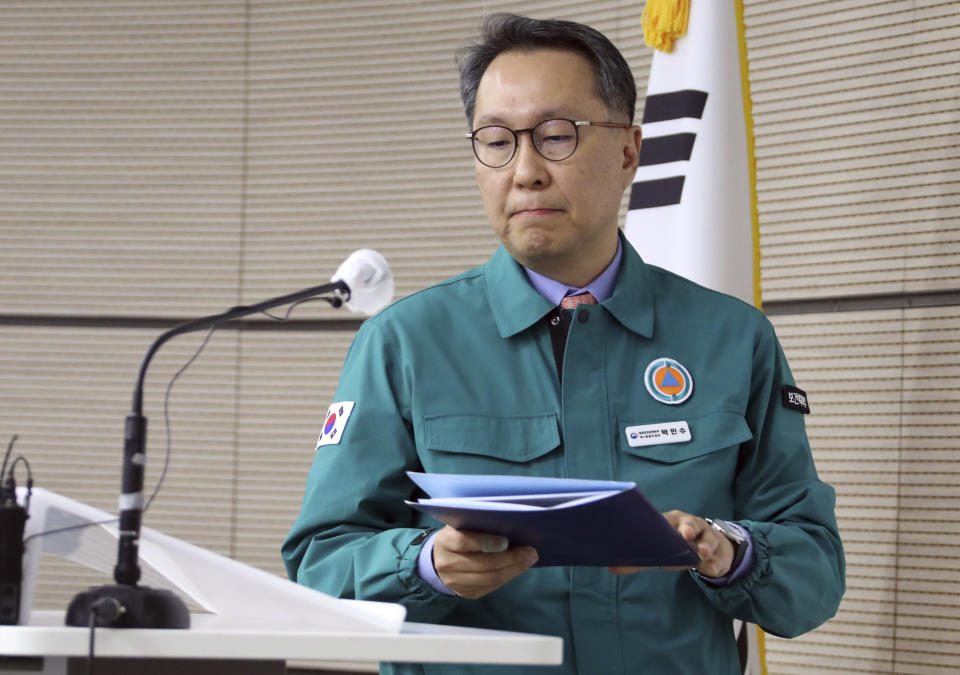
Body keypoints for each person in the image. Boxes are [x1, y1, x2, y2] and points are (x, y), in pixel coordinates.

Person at [282, 13, 844, 675]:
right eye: (496, 140)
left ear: (631, 151)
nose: (525, 171)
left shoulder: (730, 337)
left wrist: (726, 549)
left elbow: (814, 575)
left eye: (556, 136)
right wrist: (427, 565)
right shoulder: (404, 344)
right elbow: (317, 569)